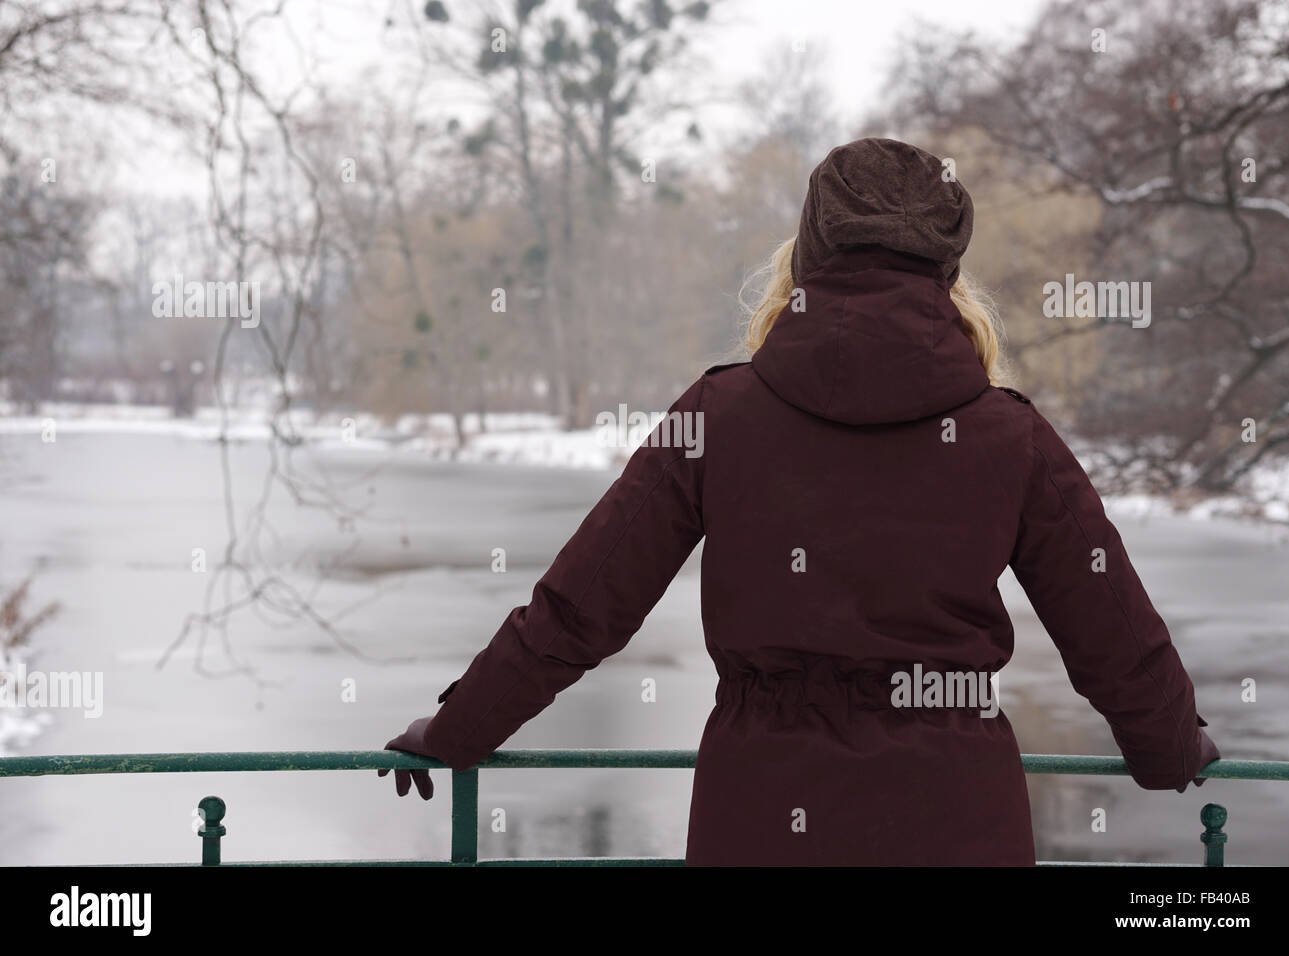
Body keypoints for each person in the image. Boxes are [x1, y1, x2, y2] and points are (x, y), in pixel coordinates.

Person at [379, 137, 1221, 865]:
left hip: (762, 821)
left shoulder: (717, 417)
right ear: (948, 269)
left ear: (809, 252)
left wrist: (457, 731)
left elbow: (580, 609)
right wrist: (1170, 748)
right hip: (955, 822)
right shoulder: (1009, 437)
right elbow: (1113, 630)